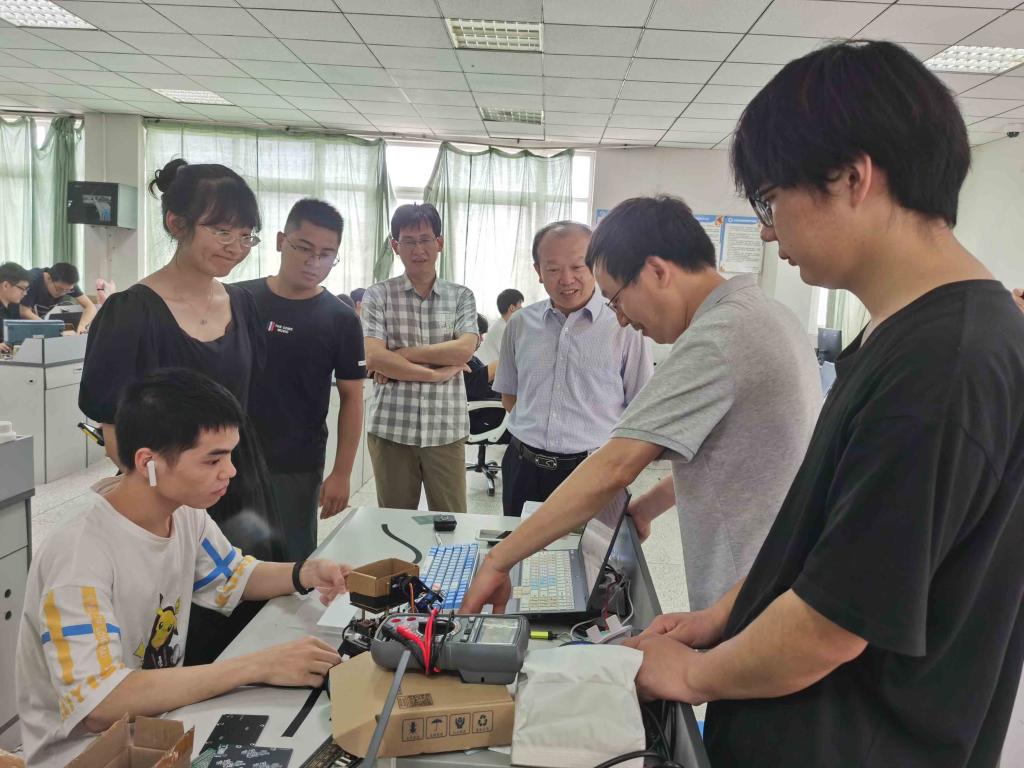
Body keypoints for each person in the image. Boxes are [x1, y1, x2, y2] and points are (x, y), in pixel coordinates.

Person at [620, 41, 1024, 768]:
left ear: (852, 178)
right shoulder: (905, 335)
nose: (767, 230)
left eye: (771, 200)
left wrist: (692, 675)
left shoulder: (942, 367)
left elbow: (831, 627)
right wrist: (720, 617)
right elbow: (829, 549)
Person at [461, 198, 819, 613]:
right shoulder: (766, 314)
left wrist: (498, 561)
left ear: (657, 272)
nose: (622, 319)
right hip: (765, 582)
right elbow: (738, 454)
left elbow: (616, 465)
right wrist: (649, 506)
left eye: (615, 299)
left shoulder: (718, 338)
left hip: (753, 592)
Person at [16, 368, 351, 768]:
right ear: (148, 462)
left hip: (159, 728)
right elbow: (101, 704)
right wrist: (257, 666)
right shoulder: (80, 555)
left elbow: (233, 576)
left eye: (230, 455)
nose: (231, 471)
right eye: (213, 459)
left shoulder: (184, 513)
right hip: (88, 755)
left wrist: (306, 573)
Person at [79, 158, 282, 664]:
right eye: (221, 231)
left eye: (246, 235)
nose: (235, 247)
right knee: (175, 628)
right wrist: (168, 498)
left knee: (250, 612)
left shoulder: (243, 305)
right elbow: (115, 431)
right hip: (165, 491)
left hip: (240, 481)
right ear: (177, 224)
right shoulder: (131, 311)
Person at [492, 221, 653, 518]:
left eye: (578, 266)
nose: (566, 279)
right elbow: (510, 397)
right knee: (518, 546)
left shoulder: (625, 326)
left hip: (594, 472)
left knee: (591, 549)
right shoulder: (520, 324)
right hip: (523, 469)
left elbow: (640, 408)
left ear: (596, 265)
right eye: (553, 269)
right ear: (538, 271)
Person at [237, 199, 365, 561]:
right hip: (229, 457)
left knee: (291, 563)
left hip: (296, 463)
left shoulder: (341, 319)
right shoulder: (237, 299)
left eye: (327, 254)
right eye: (304, 248)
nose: (314, 262)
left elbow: (353, 398)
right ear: (281, 241)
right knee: (225, 560)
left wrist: (341, 473)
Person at [362, 203, 477, 513]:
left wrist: (398, 357)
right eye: (409, 241)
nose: (418, 250)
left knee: (452, 520)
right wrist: (435, 372)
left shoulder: (461, 296)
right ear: (395, 246)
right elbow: (374, 358)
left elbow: (464, 350)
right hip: (391, 428)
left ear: (439, 243)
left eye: (425, 239)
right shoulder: (378, 295)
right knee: (394, 522)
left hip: (445, 428)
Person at [19, 262, 97, 333]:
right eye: (60, 289)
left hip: (39, 322)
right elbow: (24, 311)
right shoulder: (32, 280)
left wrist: (82, 326)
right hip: (18, 323)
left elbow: (90, 307)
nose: (63, 293)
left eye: (67, 291)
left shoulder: (68, 284)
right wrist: (50, 327)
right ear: (49, 278)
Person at [476, 288, 523, 365]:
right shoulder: (503, 330)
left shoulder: (500, 325)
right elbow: (514, 360)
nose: (522, 308)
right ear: (512, 308)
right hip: (489, 369)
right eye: (520, 305)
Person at [0, 261, 31, 353]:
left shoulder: (14, 306)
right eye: (22, 288)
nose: (25, 293)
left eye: (27, 289)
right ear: (6, 285)